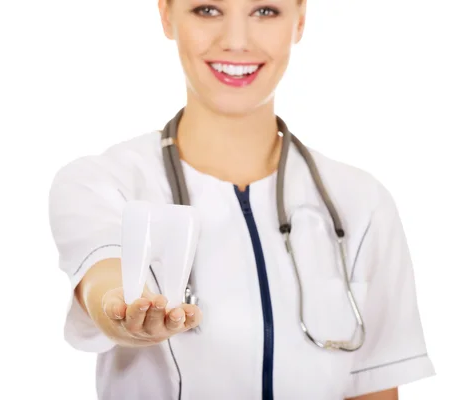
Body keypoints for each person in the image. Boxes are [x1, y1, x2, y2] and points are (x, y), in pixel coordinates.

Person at [47, 0, 435, 399]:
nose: (236, 41)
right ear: (166, 14)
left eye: (265, 11)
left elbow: (373, 388)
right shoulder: (102, 183)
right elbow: (103, 277)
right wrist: (122, 312)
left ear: (300, 19)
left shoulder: (361, 204)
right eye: (207, 9)